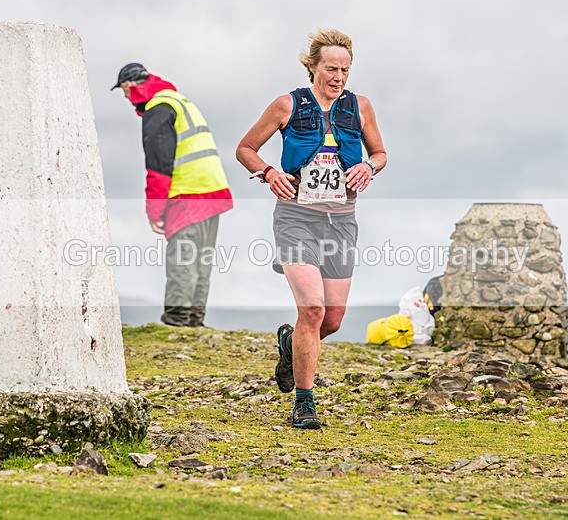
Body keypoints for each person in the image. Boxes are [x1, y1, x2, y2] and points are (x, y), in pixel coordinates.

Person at [236, 30, 387, 429]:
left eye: (345, 70)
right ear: (313, 67)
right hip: (295, 217)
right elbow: (245, 148)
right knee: (313, 309)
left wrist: (367, 167)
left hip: (342, 220)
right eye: (331, 68)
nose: (338, 76)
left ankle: (291, 344)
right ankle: (305, 403)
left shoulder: (360, 107)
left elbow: (380, 153)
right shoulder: (287, 104)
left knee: (331, 320)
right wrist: (268, 172)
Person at [112, 63, 233, 327]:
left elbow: (158, 166)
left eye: (124, 93)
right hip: (212, 191)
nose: (126, 99)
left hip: (187, 193)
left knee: (182, 260)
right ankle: (194, 322)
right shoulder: (179, 101)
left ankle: (177, 322)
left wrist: (154, 211)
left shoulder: (158, 108)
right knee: (201, 262)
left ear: (130, 86)